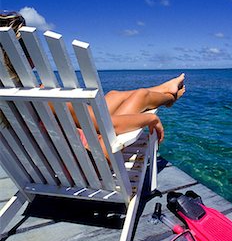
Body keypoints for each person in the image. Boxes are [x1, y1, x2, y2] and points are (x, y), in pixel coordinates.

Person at [0, 11, 185, 146]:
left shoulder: (9, 95)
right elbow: (109, 126)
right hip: (91, 162)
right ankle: (170, 97)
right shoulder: (41, 95)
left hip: (46, 165)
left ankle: (165, 88)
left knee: (113, 95)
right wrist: (151, 120)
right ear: (27, 55)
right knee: (141, 96)